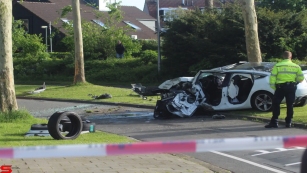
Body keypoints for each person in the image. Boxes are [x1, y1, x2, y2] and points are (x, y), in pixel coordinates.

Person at [265, 51, 304, 128]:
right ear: (291, 57)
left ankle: (274, 122)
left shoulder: (278, 66)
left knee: (276, 104)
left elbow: (272, 77)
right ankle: (288, 122)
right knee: (290, 105)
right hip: (291, 87)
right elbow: (301, 78)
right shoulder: (296, 66)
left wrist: (274, 87)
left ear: (283, 57)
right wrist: (295, 82)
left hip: (280, 87)